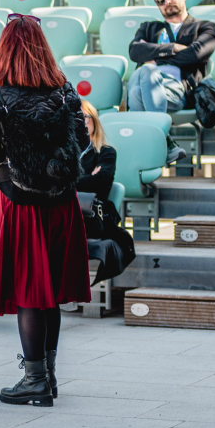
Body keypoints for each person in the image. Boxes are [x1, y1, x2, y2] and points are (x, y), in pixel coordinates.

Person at [0, 13, 92, 408]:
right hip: (60, 200)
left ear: (4, 48)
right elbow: (83, 141)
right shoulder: (64, 90)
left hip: (16, 200)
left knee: (28, 289)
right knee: (48, 290)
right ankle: (48, 376)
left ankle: (35, 379)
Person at [128, 0, 215, 163]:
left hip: (180, 90)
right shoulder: (149, 28)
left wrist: (154, 56)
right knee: (139, 85)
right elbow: (134, 51)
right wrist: (173, 48)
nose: (167, 2)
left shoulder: (204, 27)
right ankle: (164, 143)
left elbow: (195, 54)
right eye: (160, 1)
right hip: (149, 87)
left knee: (145, 71)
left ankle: (147, 148)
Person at [78, 100, 135, 291]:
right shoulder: (64, 153)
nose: (81, 122)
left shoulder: (106, 152)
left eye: (85, 117)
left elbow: (99, 182)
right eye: (75, 118)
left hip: (91, 216)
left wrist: (68, 180)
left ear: (94, 121)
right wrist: (86, 178)